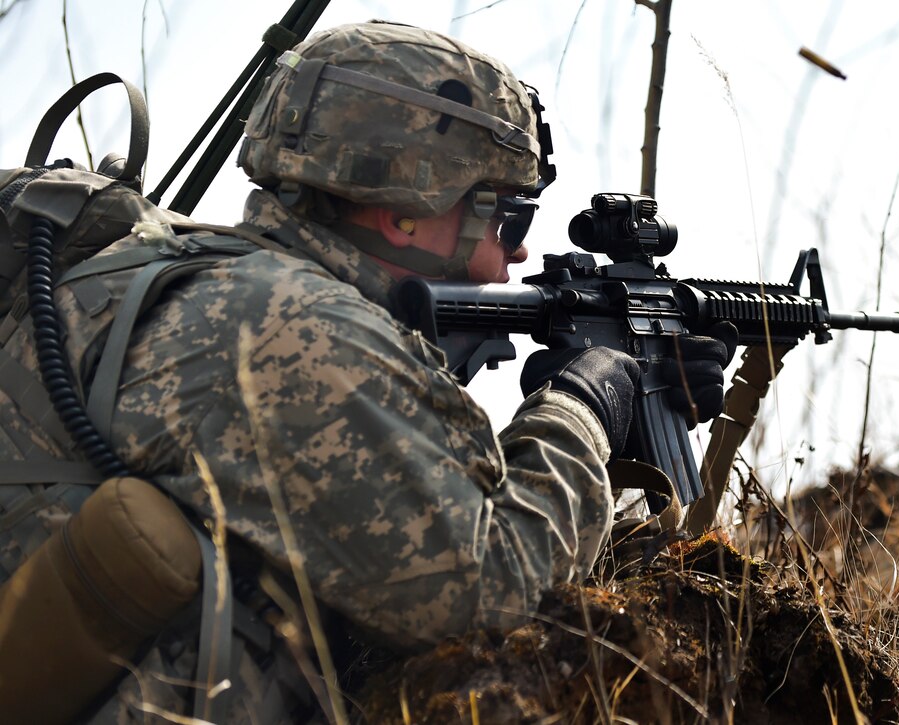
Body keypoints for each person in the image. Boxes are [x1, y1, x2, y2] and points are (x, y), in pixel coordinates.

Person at [0, 21, 735, 722]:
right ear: (403, 214)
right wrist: (584, 403)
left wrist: (634, 437)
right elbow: (494, 594)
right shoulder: (294, 330)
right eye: (509, 217)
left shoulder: (217, 280)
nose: (513, 257)